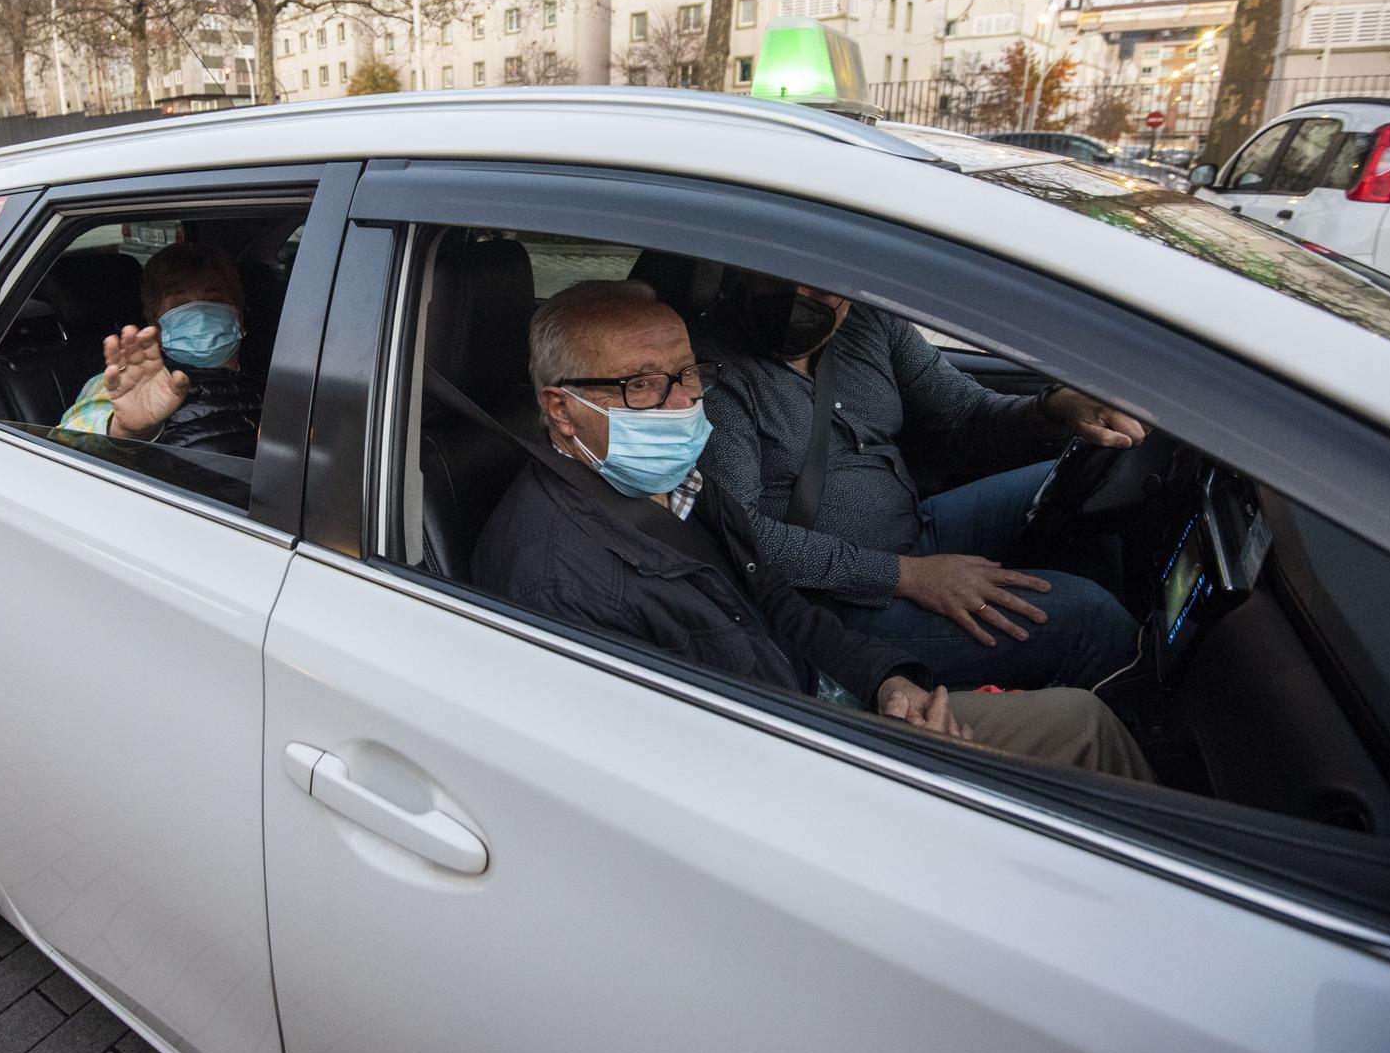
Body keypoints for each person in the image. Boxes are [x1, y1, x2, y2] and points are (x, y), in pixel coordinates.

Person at [472, 279, 1153, 779]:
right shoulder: (558, 578)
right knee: (1084, 713)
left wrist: (888, 683)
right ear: (561, 410)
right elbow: (693, 769)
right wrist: (907, 756)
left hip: (829, 699)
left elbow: (774, 604)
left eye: (686, 374)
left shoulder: (674, 485)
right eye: (642, 386)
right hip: (811, 760)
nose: (684, 403)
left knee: (1083, 719)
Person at [695, 270, 1144, 690]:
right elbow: (742, 534)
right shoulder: (715, 374)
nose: (799, 297)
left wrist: (1054, 408)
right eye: (783, 278)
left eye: (820, 284)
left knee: (1091, 475)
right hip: (835, 601)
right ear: (746, 272)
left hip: (917, 527)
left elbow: (967, 415)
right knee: (1088, 618)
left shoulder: (869, 325)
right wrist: (904, 576)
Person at [58, 242, 265, 456]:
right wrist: (125, 432)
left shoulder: (274, 378)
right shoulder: (126, 382)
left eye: (214, 300)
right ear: (155, 325)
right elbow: (65, 447)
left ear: (239, 317)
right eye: (180, 305)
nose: (200, 315)